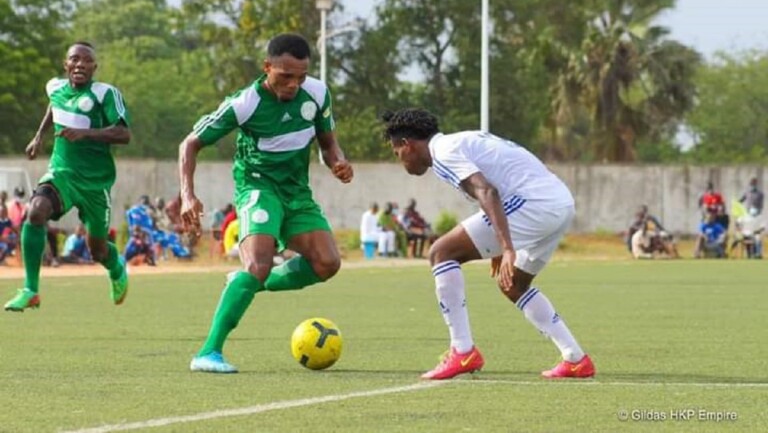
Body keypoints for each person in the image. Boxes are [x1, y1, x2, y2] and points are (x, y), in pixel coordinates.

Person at [178, 33, 354, 373]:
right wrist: (188, 194)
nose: (293, 83)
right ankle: (208, 352)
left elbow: (328, 142)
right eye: (285, 75)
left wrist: (338, 163)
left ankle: (245, 283)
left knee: (327, 263)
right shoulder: (244, 103)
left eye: (300, 76)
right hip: (257, 188)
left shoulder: (317, 94)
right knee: (257, 264)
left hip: (297, 192)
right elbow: (190, 143)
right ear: (267, 67)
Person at [382, 108, 594, 380]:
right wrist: (497, 244)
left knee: (441, 252)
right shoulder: (458, 142)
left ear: (407, 145)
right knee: (514, 284)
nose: (400, 160)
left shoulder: (443, 152)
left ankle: (462, 351)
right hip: (559, 203)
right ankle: (575, 358)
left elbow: (487, 191)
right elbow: (496, 185)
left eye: (396, 153)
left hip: (535, 205)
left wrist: (506, 247)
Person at [4, 42, 130, 312]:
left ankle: (115, 265)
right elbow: (54, 106)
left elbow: (124, 134)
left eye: (87, 61)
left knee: (97, 250)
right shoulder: (55, 87)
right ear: (66, 64)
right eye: (75, 59)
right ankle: (31, 290)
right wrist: (39, 136)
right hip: (62, 173)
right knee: (35, 212)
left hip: (96, 183)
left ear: (94, 67)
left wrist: (87, 133)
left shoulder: (105, 94)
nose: (80, 64)